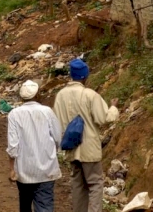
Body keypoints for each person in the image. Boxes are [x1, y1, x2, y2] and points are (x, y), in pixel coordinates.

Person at [53, 59, 119, 212]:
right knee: (95, 183)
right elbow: (104, 118)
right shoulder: (90, 95)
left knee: (78, 184)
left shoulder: (61, 95)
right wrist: (113, 108)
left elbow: (56, 121)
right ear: (85, 76)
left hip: (70, 147)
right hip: (89, 149)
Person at [8, 80, 62, 212]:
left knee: (25, 204)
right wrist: (53, 152)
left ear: (22, 97)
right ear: (37, 95)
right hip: (46, 169)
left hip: (24, 170)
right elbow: (57, 137)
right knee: (45, 205)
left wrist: (11, 169)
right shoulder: (47, 111)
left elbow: (12, 146)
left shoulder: (14, 114)